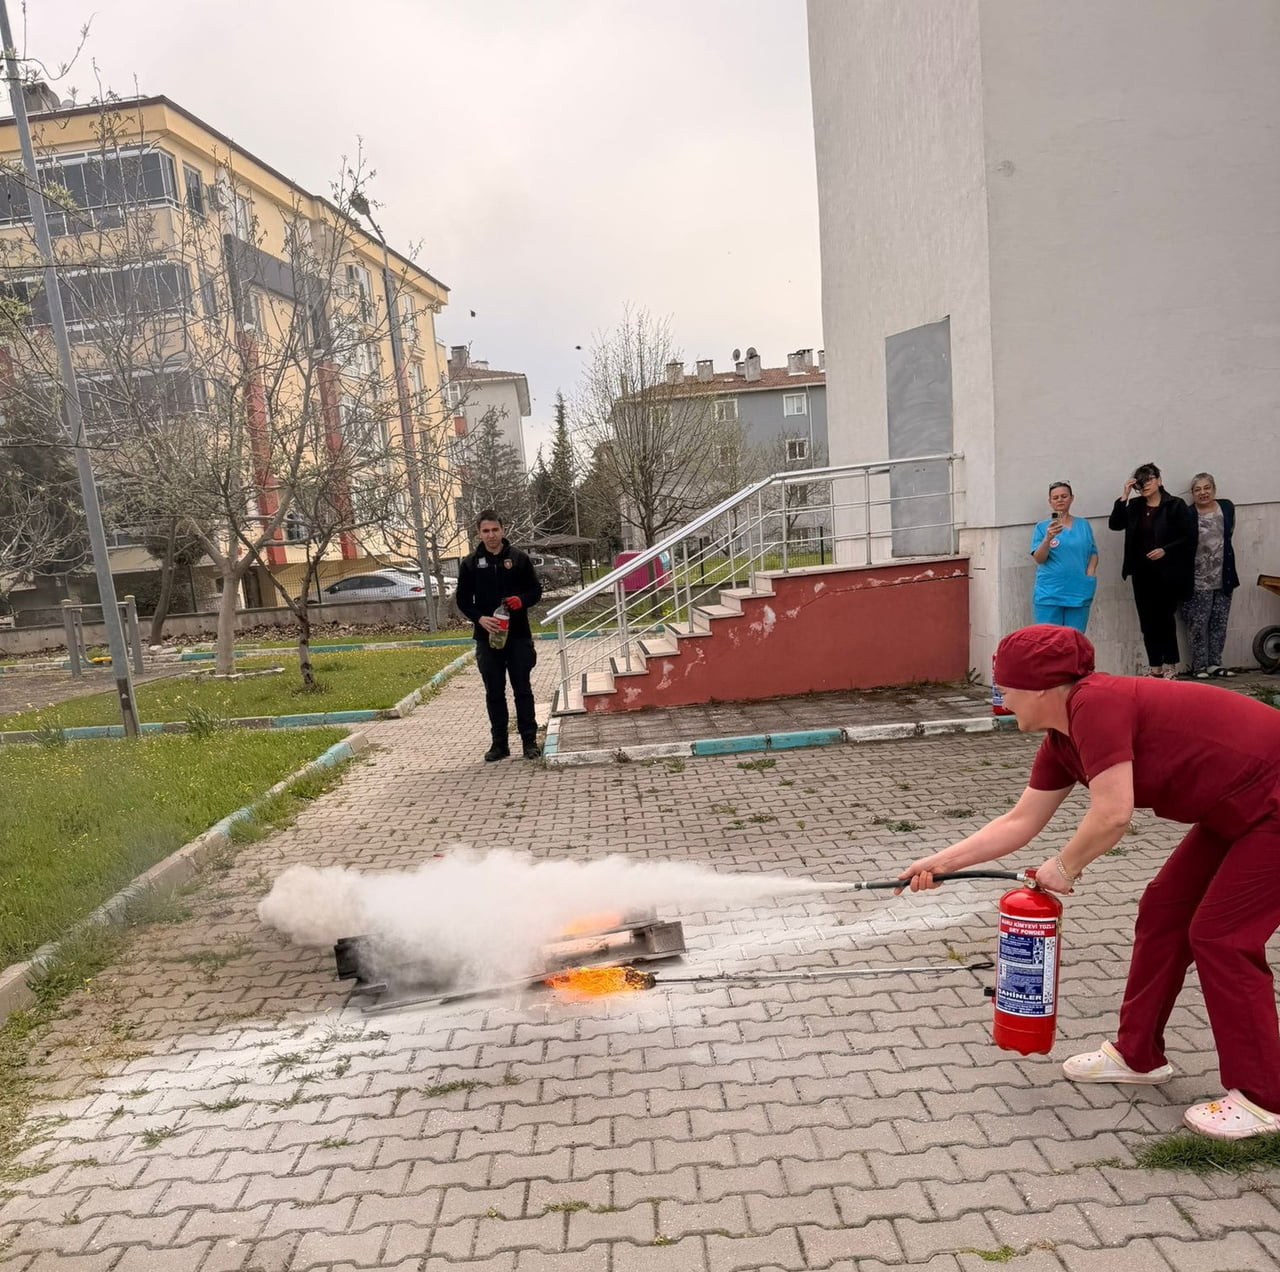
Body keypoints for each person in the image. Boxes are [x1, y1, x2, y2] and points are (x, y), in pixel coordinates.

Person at [901, 625, 1280, 1140]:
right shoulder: (1062, 739)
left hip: (1271, 804)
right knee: (1165, 910)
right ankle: (1137, 1055)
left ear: (1039, 687)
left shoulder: (1096, 704)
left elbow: (1112, 814)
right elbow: (1019, 822)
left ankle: (1261, 1100)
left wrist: (1065, 865)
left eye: (1003, 690)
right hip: (1236, 808)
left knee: (1221, 935)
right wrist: (939, 864)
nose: (1002, 701)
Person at [455, 510, 543, 762]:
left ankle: (529, 742)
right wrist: (479, 618)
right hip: (487, 638)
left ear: (503, 530)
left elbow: (535, 590)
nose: (491, 535)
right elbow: (462, 599)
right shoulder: (470, 563)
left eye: (495, 530)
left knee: (522, 690)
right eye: (485, 531)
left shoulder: (519, 558)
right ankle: (499, 744)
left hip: (518, 637)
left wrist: (522, 600)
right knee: (494, 692)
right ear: (478, 534)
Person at [1108, 462, 1190, 677]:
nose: (1145, 485)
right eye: (1140, 482)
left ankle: (1171, 666)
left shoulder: (1175, 505)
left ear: (1159, 480)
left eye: (1149, 479)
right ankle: (1155, 667)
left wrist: (1166, 550)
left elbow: (1188, 538)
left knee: (1165, 619)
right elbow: (1115, 525)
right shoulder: (1135, 506)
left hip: (1167, 572)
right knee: (1147, 621)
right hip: (1141, 572)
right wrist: (1124, 497)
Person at [1181, 473, 1239, 679]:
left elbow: (1228, 534)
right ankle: (1199, 666)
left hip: (1223, 576)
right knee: (1198, 622)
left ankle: (1215, 663)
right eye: (1198, 489)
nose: (1203, 493)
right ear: (1192, 493)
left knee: (1219, 622)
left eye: (1207, 488)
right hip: (1197, 579)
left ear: (1214, 489)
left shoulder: (1227, 508)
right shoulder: (1187, 514)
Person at [1029, 482, 1098, 632]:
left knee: (1074, 641)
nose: (1060, 500)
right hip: (1050, 594)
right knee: (1048, 642)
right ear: (1050, 501)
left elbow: (1093, 551)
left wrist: (1090, 573)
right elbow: (1039, 558)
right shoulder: (1042, 527)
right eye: (1055, 497)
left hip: (1078, 591)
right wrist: (1047, 538)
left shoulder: (1083, 525)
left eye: (1064, 496)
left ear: (1071, 498)